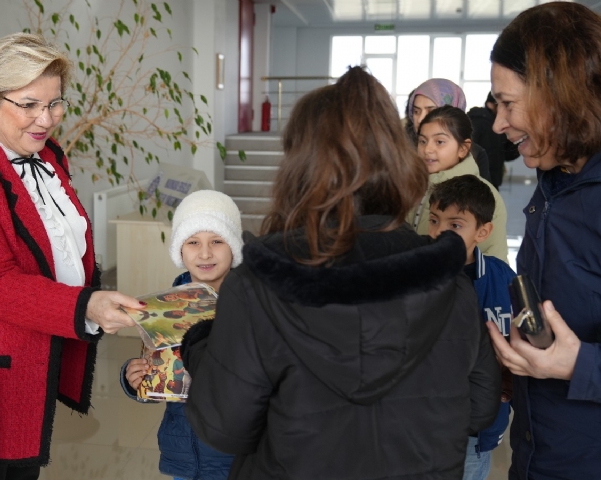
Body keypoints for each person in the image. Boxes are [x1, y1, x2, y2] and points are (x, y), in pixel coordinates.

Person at [179, 66, 500, 479]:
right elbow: (480, 406)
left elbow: (224, 426)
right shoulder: (449, 280)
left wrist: (200, 344)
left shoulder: (261, 285)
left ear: (299, 167)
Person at [0, 33, 143, 480]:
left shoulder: (46, 155)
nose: (46, 119)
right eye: (29, 104)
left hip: (31, 346)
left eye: (55, 103)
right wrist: (85, 305)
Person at [487, 3, 601, 478]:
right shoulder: (554, 184)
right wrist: (523, 363)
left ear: (561, 95)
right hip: (537, 454)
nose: (497, 125)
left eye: (508, 104)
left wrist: (580, 365)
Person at [120, 190, 243, 480]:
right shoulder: (165, 308)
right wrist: (135, 378)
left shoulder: (252, 303)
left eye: (217, 241)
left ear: (234, 246)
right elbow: (162, 375)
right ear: (180, 250)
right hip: (184, 455)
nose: (204, 253)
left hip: (237, 455)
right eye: (193, 242)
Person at [427, 176, 516, 480]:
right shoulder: (414, 277)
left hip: (477, 433)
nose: (440, 232)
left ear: (483, 231)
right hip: (424, 425)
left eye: (455, 225)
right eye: (434, 220)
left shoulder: (501, 277)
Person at [410, 106, 509, 263]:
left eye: (439, 142)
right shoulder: (413, 186)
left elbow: (493, 259)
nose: (427, 149)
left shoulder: (484, 195)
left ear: (463, 148)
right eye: (422, 141)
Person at [407, 78, 493, 183]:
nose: (420, 119)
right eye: (416, 111)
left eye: (431, 111)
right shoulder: (402, 152)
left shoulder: (476, 154)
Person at [468, 92, 520, 189]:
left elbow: (506, 154)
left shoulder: (496, 123)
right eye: (503, 105)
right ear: (490, 104)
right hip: (477, 182)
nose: (506, 110)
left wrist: (518, 139)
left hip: (489, 180)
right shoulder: (478, 123)